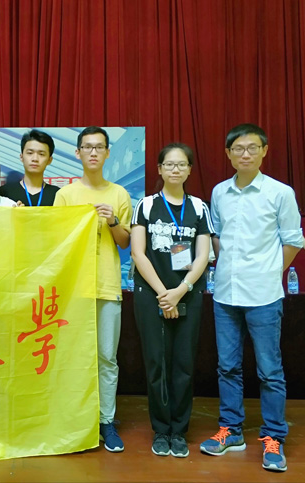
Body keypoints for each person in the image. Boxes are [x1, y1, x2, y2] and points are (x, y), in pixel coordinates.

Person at [200, 124, 302, 472]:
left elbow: (293, 240)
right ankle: (231, 430)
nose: (245, 154)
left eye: (252, 148)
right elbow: (217, 236)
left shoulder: (280, 193)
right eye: (238, 149)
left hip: (264, 295)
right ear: (228, 154)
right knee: (227, 367)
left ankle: (273, 436)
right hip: (225, 294)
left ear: (264, 151)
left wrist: (271, 273)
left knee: (269, 371)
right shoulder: (219, 192)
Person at [130, 143, 214, 457]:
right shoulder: (146, 205)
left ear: (190, 170)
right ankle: (160, 429)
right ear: (160, 169)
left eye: (181, 165)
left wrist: (181, 290)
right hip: (151, 294)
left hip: (188, 293)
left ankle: (178, 430)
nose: (175, 169)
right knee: (156, 363)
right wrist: (163, 294)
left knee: (183, 364)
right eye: (169, 164)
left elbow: (203, 255)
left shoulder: (199, 207)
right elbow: (138, 253)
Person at [53, 126, 132, 452]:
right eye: (88, 147)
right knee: (70, 355)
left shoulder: (119, 194)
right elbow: (56, 240)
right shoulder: (65, 195)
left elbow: (125, 243)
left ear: (108, 153)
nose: (94, 152)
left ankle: (106, 420)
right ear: (78, 153)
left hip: (107, 285)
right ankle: (73, 418)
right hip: (73, 288)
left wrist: (112, 221)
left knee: (106, 358)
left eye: (100, 147)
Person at [0, 129, 59, 206]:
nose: (35, 159)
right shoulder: (5, 192)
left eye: (41, 154)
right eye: (30, 153)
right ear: (21, 157)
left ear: (49, 160)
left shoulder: (57, 194)